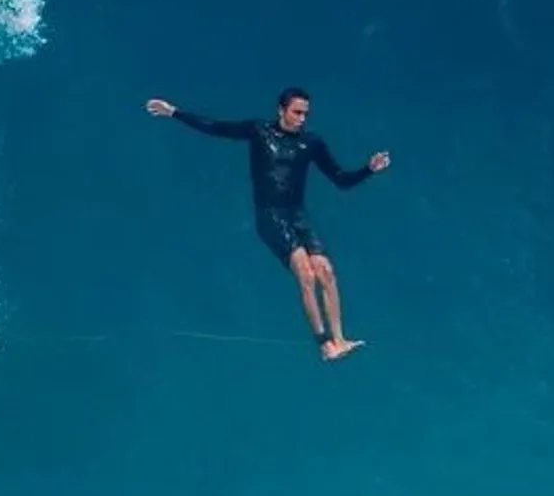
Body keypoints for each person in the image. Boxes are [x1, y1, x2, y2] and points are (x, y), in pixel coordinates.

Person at [145, 87, 390, 361]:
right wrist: (175, 113)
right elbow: (217, 127)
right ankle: (324, 345)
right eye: (296, 112)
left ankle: (340, 338)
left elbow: (340, 179)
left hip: (297, 215)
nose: (301, 119)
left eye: (305, 114)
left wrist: (368, 170)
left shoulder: (311, 143)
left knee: (326, 272)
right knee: (305, 273)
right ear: (281, 110)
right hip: (270, 215)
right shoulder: (259, 131)